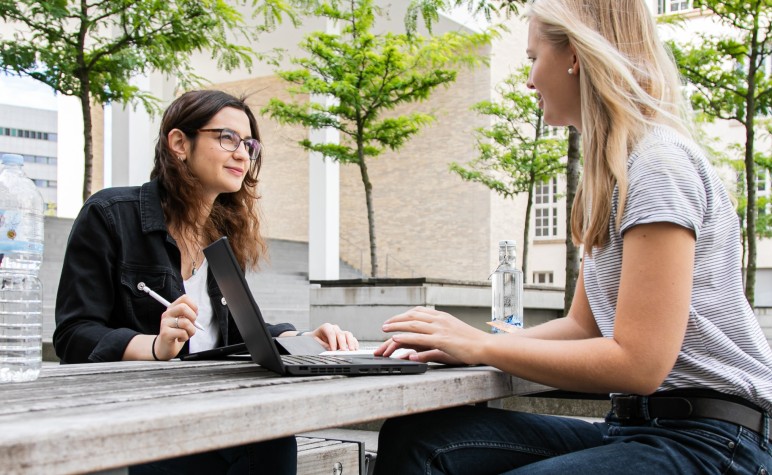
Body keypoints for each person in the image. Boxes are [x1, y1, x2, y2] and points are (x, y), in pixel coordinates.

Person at [372, 0, 772, 473]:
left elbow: (640, 364)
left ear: (575, 56)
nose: (528, 80)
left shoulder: (659, 167)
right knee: (418, 440)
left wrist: (481, 347)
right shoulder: (614, 173)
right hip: (638, 428)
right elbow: (583, 327)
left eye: (532, 59)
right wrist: (465, 344)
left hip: (714, 440)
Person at [53, 89, 359, 474]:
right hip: (140, 416)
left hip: (214, 405)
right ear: (180, 143)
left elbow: (230, 333)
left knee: (271, 434)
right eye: (227, 138)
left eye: (249, 144)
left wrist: (300, 337)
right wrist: (155, 346)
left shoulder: (222, 237)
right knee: (263, 440)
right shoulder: (110, 215)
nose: (243, 154)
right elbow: (73, 334)